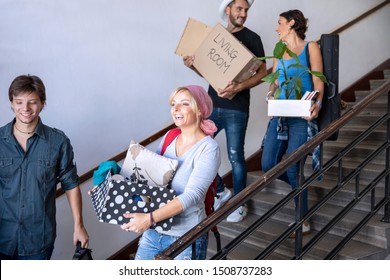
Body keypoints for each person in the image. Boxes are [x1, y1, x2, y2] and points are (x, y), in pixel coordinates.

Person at [183, 0, 267, 223]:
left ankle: (240, 204)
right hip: (212, 107)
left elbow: (263, 73)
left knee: (235, 157)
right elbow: (211, 73)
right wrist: (194, 66)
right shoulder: (215, 37)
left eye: (246, 10)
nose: (243, 13)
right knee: (195, 150)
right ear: (227, 10)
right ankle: (221, 191)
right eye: (239, 9)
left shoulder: (253, 38)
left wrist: (239, 86)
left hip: (237, 110)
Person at [120, 85, 221, 260]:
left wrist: (149, 218)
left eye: (184, 104)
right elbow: (149, 178)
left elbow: (193, 195)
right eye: (173, 104)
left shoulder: (208, 148)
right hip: (154, 232)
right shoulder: (169, 136)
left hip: (186, 237)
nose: (176, 109)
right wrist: (110, 187)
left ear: (200, 109)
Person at [0, 75, 89, 260]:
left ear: (42, 103)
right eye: (19, 102)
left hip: (38, 239)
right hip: (3, 236)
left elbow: (70, 184)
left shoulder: (58, 141)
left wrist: (78, 225)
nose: (25, 109)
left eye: (32, 102)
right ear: (11, 103)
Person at [261, 9, 325, 236]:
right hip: (280, 114)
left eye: (279, 23)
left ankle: (302, 219)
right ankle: (301, 188)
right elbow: (275, 80)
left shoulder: (311, 47)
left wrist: (317, 104)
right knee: (268, 164)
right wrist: (270, 92)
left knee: (293, 167)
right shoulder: (279, 49)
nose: (276, 27)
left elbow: (318, 80)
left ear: (291, 23)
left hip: (300, 116)